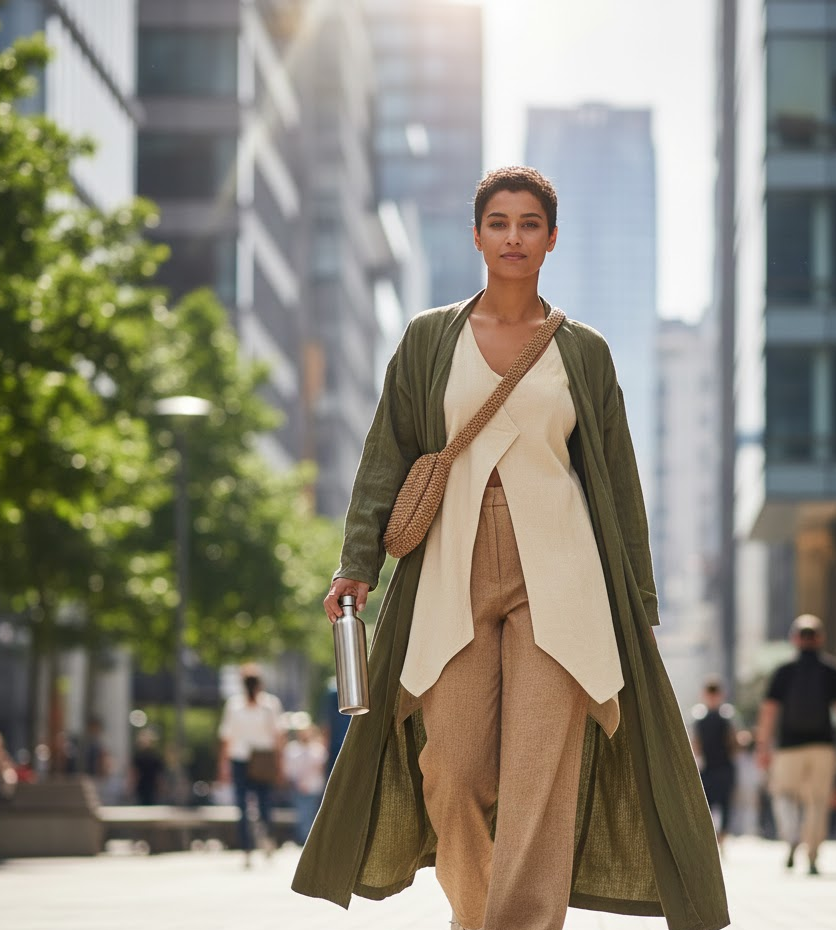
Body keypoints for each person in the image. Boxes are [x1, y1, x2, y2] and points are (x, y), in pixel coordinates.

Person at [292, 167, 729, 930]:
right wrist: (357, 562)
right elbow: (387, 456)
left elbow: (617, 484)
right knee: (452, 769)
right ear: (477, 235)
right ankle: (478, 916)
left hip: (560, 577)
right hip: (450, 570)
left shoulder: (583, 353)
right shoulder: (431, 338)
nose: (514, 237)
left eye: (530, 224)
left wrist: (638, 605)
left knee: (538, 783)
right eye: (499, 222)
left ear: (552, 239)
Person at [755, 613, 836, 876]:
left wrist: (763, 747)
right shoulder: (831, 670)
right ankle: (812, 854)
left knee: (783, 794)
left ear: (794, 639)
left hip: (789, 747)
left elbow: (768, 712)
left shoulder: (784, 671)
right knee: (817, 802)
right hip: (823, 746)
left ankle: (791, 837)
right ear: (820, 639)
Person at [217, 662, 285, 867]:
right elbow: (278, 737)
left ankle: (250, 847)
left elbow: (226, 738)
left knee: (247, 806)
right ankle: (262, 842)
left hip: (244, 759)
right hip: (254, 759)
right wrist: (279, 764)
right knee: (261, 804)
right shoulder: (265, 705)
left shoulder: (254, 705)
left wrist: (222, 765)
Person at [691, 677, 737, 845]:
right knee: (707, 805)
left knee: (725, 805)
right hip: (707, 768)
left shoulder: (726, 716)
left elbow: (733, 743)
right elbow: (695, 744)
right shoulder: (699, 718)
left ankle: (722, 839)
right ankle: (711, 840)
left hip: (723, 767)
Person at [283, 719, 327, 845]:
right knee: (302, 813)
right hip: (298, 787)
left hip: (314, 787)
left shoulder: (317, 749)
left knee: (312, 812)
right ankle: (304, 838)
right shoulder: (292, 749)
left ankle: (309, 838)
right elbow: (289, 770)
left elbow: (320, 768)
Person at [130, 728, 165, 805]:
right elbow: (134, 773)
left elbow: (159, 776)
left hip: (152, 788)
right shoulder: (138, 756)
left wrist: (161, 788)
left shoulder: (156, 756)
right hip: (141, 788)